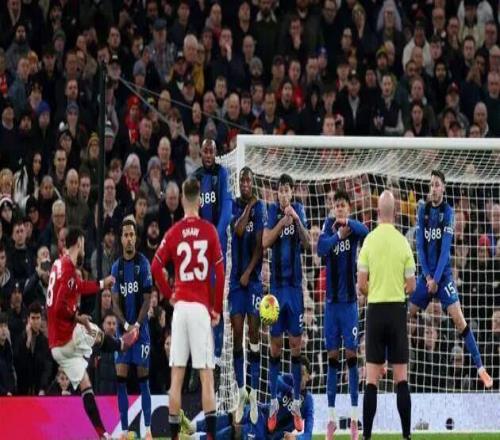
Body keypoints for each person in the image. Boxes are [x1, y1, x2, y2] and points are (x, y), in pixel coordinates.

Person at [151, 177, 225, 440]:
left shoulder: (174, 231)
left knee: (177, 377)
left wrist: (169, 294)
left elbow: (155, 266)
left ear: (183, 199)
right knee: (207, 376)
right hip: (201, 309)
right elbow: (219, 272)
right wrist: (216, 309)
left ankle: (173, 438)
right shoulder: (209, 231)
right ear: (200, 200)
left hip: (181, 307)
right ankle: (212, 437)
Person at [46, 227, 136, 440]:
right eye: (84, 245)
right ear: (79, 242)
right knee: (92, 329)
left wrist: (102, 283)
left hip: (55, 346)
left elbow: (77, 286)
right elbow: (58, 307)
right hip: (66, 336)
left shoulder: (58, 263)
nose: (85, 250)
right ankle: (120, 345)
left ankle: (102, 434)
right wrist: (78, 318)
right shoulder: (68, 269)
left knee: (86, 385)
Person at [409, 170, 493, 389]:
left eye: (437, 184)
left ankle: (480, 368)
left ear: (444, 188)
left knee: (459, 319)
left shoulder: (448, 212)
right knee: (405, 314)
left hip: (444, 277)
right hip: (427, 277)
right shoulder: (423, 210)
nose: (433, 188)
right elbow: (420, 246)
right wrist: (428, 277)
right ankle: (390, 362)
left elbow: (446, 249)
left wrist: (436, 279)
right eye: (431, 185)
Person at [357, 191, 416, 440]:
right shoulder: (403, 242)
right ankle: (406, 435)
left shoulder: (369, 241)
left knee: (371, 379)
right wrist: (395, 290)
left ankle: (367, 436)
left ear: (378, 212)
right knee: (401, 378)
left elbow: (361, 284)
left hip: (376, 311)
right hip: (396, 311)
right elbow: (412, 285)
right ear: (396, 212)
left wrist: (376, 290)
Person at [317, 189, 368, 440]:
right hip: (331, 305)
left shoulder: (353, 228)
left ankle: (355, 419)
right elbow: (321, 248)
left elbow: (366, 232)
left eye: (342, 205)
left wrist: (347, 223)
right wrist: (338, 233)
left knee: (351, 357)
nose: (338, 208)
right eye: (336, 205)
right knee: (332, 359)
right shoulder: (328, 227)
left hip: (349, 305)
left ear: (348, 208)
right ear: (332, 207)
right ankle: (331, 419)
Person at [262, 173, 311, 433]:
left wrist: (296, 220)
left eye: (287, 190)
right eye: (280, 190)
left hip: (295, 290)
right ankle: (273, 403)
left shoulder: (299, 209)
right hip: (276, 291)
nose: (283, 194)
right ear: (277, 194)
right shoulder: (272, 212)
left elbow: (308, 243)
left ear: (292, 192)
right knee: (275, 347)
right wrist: (283, 221)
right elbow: (265, 242)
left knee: (295, 346)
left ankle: (295, 405)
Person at [182, 355, 314, 440]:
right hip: (262, 412)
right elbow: (274, 380)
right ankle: (193, 427)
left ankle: (196, 439)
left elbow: (308, 434)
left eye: (302, 374)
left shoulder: (308, 402)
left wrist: (296, 438)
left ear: (308, 376)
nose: (297, 377)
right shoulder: (288, 380)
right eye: (295, 373)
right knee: (234, 416)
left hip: (268, 432)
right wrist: (290, 390)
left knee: (235, 432)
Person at [110, 219, 153, 440]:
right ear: (121, 238)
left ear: (135, 237)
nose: (128, 239)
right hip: (123, 333)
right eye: (125, 235)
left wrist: (136, 325)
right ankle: (125, 431)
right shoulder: (116, 268)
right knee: (121, 379)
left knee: (144, 379)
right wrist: (126, 327)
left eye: (131, 235)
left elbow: (147, 299)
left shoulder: (143, 264)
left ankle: (148, 430)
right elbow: (114, 303)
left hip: (141, 332)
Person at [193, 138, 232, 379]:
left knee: (216, 303)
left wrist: (214, 237)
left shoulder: (222, 174)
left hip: (217, 250)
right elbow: (190, 211)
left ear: (216, 153)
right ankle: (198, 358)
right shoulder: (195, 177)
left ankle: (216, 360)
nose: (208, 155)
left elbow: (227, 209)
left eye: (212, 151)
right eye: (205, 151)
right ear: (200, 153)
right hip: (199, 251)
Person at [229, 167, 266, 424]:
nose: (245, 183)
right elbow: (239, 230)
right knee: (236, 334)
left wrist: (249, 272)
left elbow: (260, 245)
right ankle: (241, 392)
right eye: (242, 180)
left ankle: (253, 392)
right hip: (235, 283)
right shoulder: (234, 205)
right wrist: (248, 206)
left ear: (253, 183)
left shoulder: (261, 208)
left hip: (252, 282)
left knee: (254, 334)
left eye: (248, 180)